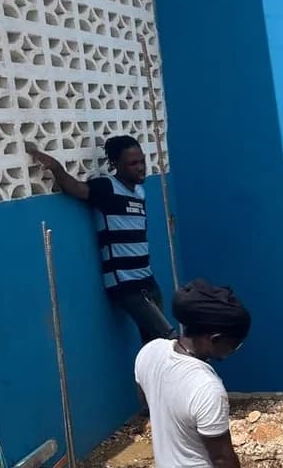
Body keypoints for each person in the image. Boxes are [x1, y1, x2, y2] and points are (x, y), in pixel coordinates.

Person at [134, 279, 265, 468]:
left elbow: (146, 401)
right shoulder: (206, 387)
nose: (234, 350)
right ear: (214, 339)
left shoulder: (150, 352)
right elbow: (220, 457)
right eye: (234, 344)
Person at [28, 135, 174, 344]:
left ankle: (147, 377)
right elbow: (76, 188)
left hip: (147, 280)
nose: (141, 167)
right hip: (125, 284)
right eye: (133, 163)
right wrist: (56, 168)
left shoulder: (140, 192)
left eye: (142, 161)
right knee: (168, 339)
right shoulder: (107, 187)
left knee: (154, 346)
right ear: (116, 164)